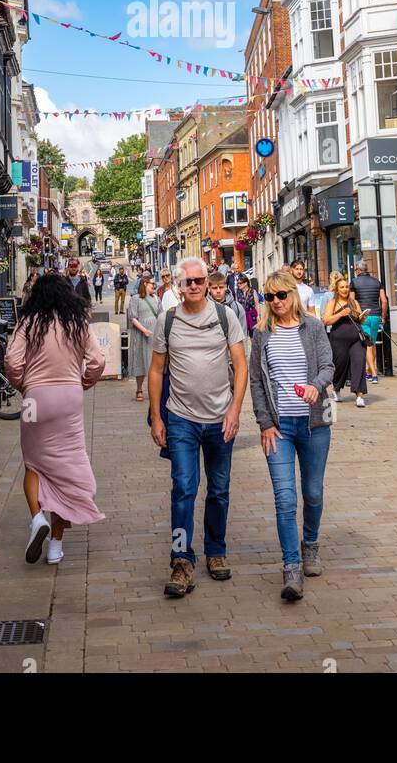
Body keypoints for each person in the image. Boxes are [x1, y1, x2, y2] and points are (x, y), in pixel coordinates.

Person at [149, 256, 247, 598]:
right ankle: (181, 559)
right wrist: (157, 416)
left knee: (219, 490)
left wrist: (235, 410)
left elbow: (240, 364)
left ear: (207, 283)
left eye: (199, 281)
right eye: (187, 281)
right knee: (183, 489)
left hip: (220, 419)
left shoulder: (225, 316)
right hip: (181, 420)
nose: (194, 286)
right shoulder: (168, 320)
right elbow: (157, 370)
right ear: (179, 285)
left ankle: (216, 551)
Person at [4, 272, 106, 567]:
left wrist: (23, 385)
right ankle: (56, 547)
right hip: (69, 397)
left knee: (33, 463)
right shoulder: (77, 323)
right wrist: (84, 381)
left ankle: (37, 519)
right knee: (66, 466)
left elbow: (11, 360)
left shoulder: (28, 323)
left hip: (37, 398)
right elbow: (98, 361)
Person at [249, 267, 336, 601]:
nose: (276, 301)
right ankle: (292, 567)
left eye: (281, 295)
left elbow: (328, 366)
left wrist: (316, 386)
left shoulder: (313, 327)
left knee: (312, 492)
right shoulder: (262, 334)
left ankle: (310, 544)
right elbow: (256, 380)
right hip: (279, 426)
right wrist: (264, 422)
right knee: (285, 498)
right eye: (269, 297)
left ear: (293, 295)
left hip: (314, 424)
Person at [323, 274, 369, 407]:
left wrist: (362, 317)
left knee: (359, 364)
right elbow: (326, 320)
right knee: (340, 365)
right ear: (337, 290)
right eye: (342, 287)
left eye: (346, 287)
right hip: (338, 339)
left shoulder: (354, 302)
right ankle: (336, 388)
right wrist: (340, 314)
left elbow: (359, 319)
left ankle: (359, 395)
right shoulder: (333, 302)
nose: (345, 289)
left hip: (356, 339)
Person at [351, 261, 389, 383]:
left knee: (367, 344)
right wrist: (383, 317)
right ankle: (369, 371)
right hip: (376, 315)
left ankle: (373, 373)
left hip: (363, 316)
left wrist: (355, 316)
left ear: (358, 270)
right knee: (372, 342)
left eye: (355, 269)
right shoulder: (377, 282)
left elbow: (351, 301)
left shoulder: (354, 282)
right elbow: (384, 301)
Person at [128, 276, 160, 402]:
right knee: (140, 360)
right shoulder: (136, 299)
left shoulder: (156, 298)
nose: (154, 286)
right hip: (141, 335)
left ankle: (155, 389)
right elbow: (133, 317)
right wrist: (144, 330)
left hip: (155, 333)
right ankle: (139, 388)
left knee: (155, 363)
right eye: (152, 284)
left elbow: (161, 315)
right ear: (145, 284)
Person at [208, 270, 248, 335]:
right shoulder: (204, 307)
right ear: (209, 288)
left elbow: (242, 333)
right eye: (214, 288)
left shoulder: (237, 307)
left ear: (226, 287)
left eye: (221, 287)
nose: (218, 291)